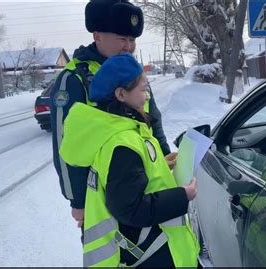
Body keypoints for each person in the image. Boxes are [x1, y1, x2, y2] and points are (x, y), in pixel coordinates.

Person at [59, 53, 199, 267]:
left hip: (147, 250)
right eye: (143, 90)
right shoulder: (122, 143)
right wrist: (183, 195)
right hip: (149, 255)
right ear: (121, 94)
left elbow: (132, 182)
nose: (147, 96)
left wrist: (162, 163)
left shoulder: (122, 132)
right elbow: (130, 209)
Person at [50, 0, 172, 231]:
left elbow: (152, 121)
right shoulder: (75, 79)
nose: (128, 46)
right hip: (101, 195)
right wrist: (78, 200)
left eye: (132, 40)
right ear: (97, 36)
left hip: (144, 189)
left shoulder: (133, 72)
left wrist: (164, 157)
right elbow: (65, 146)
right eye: (122, 39)